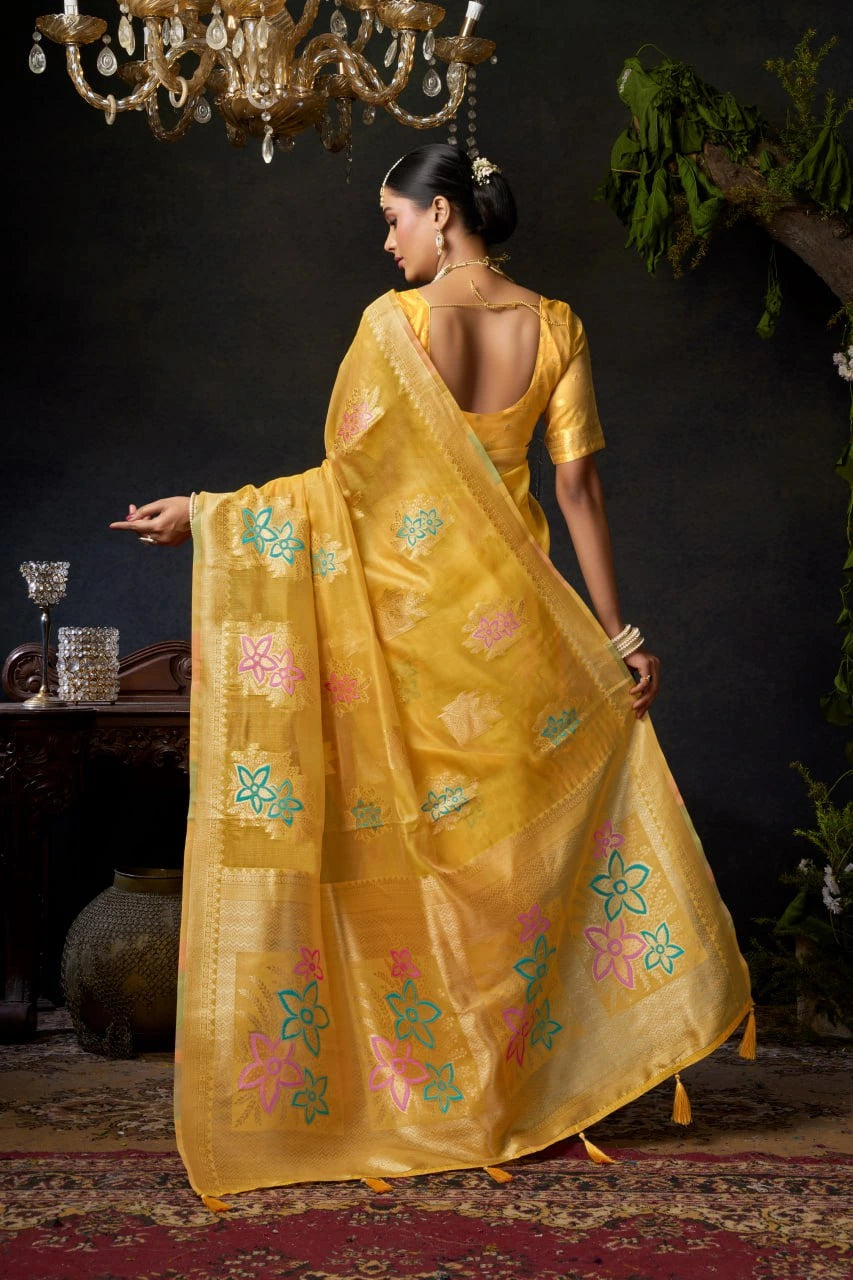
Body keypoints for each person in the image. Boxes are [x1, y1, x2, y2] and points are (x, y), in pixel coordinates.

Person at [110, 144, 753, 1199]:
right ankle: (508, 1093)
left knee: (434, 869)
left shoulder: (391, 328)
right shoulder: (556, 326)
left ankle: (444, 1095)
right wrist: (619, 636)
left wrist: (209, 514)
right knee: (505, 876)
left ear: (442, 212)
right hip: (520, 643)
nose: (386, 238)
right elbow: (579, 487)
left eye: (392, 218)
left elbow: (340, 490)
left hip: (405, 647)